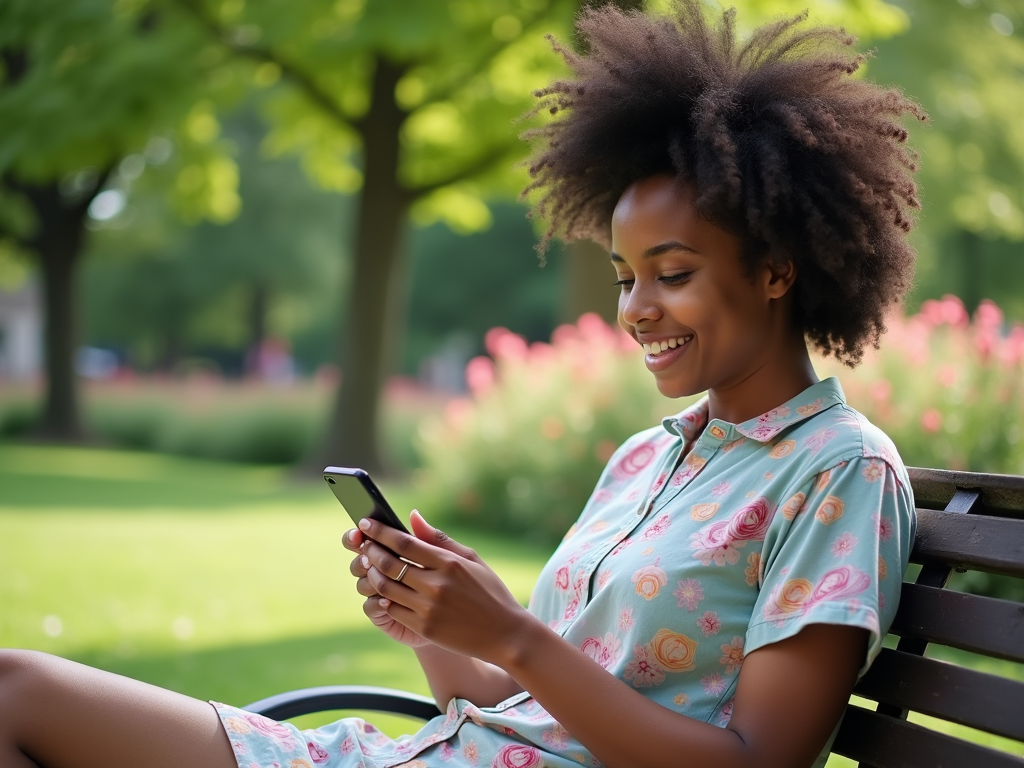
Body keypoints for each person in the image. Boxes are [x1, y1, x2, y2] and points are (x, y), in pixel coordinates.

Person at [0, 2, 923, 767]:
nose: (636, 307)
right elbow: (507, 701)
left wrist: (518, 637)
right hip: (423, 754)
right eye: (622, 276)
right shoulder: (650, 457)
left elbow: (759, 763)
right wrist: (441, 621)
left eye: (671, 273)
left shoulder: (838, 472)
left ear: (777, 270)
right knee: (16, 691)